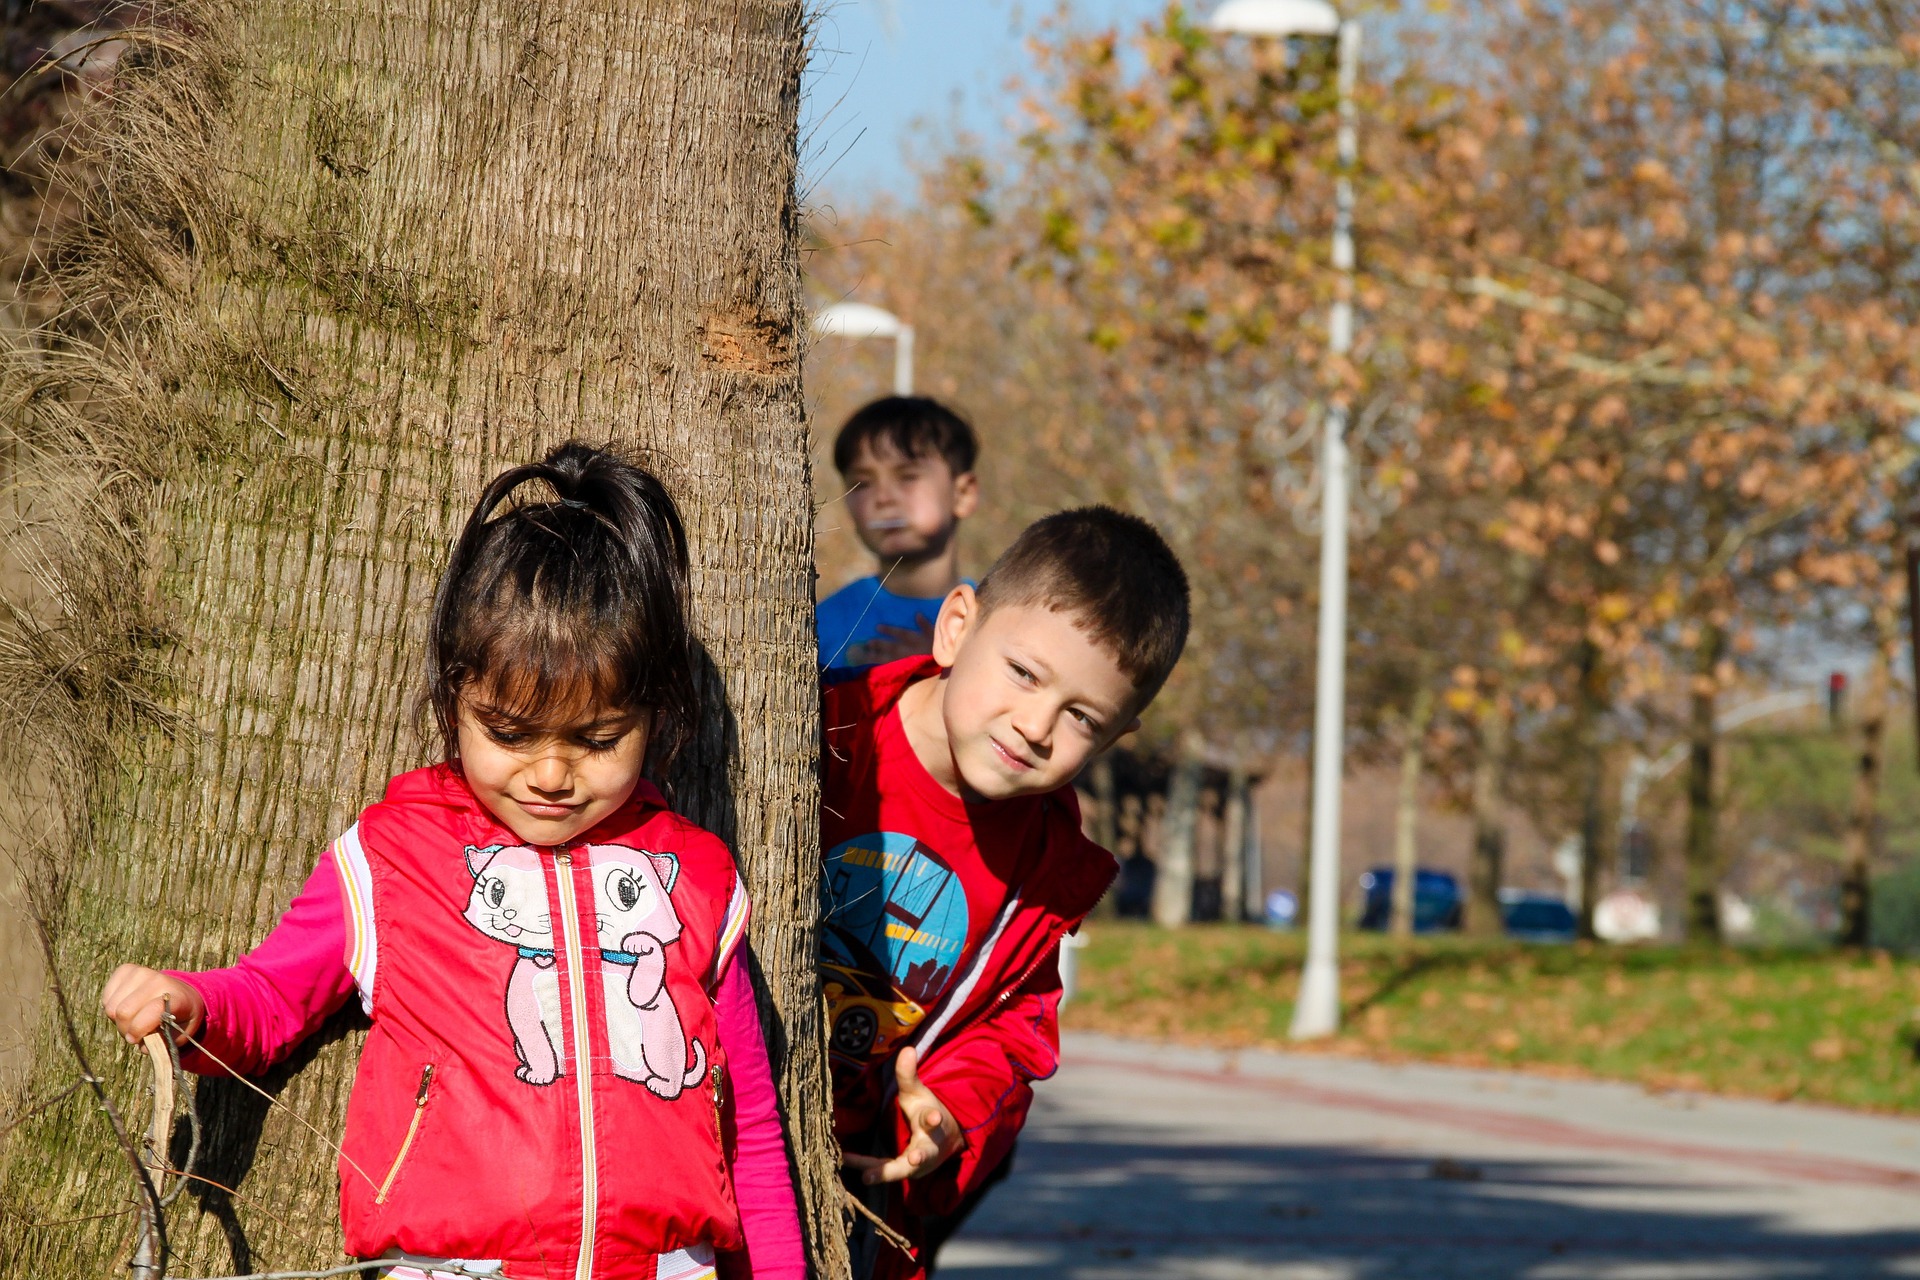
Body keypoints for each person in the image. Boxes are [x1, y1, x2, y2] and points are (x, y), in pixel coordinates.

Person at [100, 444, 804, 1280]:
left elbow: (751, 1131)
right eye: (508, 733)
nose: (550, 773)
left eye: (598, 740)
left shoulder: (696, 878)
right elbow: (270, 997)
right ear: (452, 700)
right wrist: (191, 1008)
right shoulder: (391, 859)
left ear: (655, 717)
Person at [817, 507, 1190, 1278]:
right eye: (1023, 673)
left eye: (1082, 717)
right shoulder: (824, 731)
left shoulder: (1045, 873)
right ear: (956, 627)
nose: (1035, 726)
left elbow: (1014, 1032)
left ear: (1118, 735)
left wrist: (948, 1115)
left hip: (856, 1197)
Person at [816, 397, 980, 670]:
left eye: (907, 476)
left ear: (962, 494)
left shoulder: (993, 623)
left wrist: (941, 669)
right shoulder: (822, 626)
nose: (883, 498)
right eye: (862, 483)